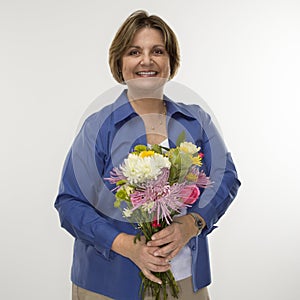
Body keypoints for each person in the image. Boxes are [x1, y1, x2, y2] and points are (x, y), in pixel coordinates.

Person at [55, 10, 241, 300]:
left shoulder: (196, 120)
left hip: (185, 281)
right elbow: (70, 203)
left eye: (157, 51)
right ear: (120, 62)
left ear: (171, 61)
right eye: (134, 52)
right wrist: (126, 245)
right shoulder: (98, 126)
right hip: (108, 282)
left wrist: (192, 224)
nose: (146, 60)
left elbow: (226, 178)